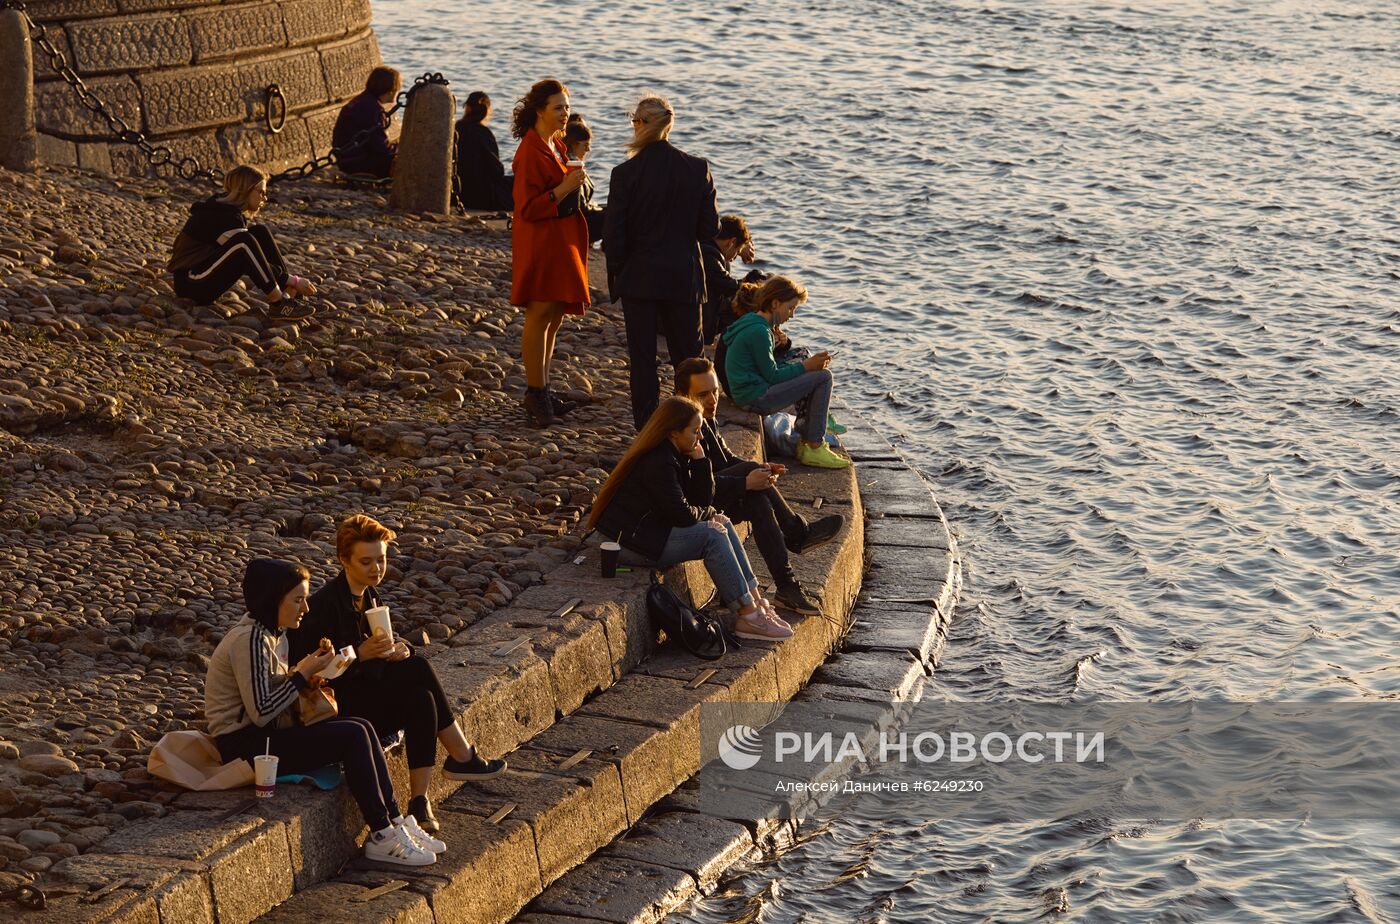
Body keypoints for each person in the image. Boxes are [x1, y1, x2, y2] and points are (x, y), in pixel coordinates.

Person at [205, 558, 442, 866]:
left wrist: (312, 672)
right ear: (273, 600)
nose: (305, 608)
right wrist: (303, 674)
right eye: (298, 600)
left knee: (362, 726)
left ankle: (396, 821)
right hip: (245, 745)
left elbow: (275, 692)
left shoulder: (274, 633)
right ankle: (382, 833)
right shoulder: (248, 639)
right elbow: (262, 711)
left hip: (267, 734)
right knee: (352, 735)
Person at [289, 515, 506, 834]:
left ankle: (419, 802)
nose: (376, 568)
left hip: (365, 692)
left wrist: (400, 649)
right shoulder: (324, 606)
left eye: (381, 559)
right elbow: (310, 674)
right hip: (334, 709)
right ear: (344, 560)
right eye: (366, 561)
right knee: (418, 670)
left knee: (421, 699)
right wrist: (360, 654)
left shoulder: (369, 596)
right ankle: (461, 755)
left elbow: (379, 654)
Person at [587, 396, 792, 641]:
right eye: (695, 431)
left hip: (650, 534)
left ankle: (757, 603)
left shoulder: (677, 453)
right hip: (627, 544)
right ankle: (748, 617)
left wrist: (701, 462)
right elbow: (683, 515)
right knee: (712, 535)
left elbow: (703, 501)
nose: (701, 437)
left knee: (723, 522)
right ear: (674, 432)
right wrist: (708, 514)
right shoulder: (658, 462)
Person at [674, 357, 845, 616]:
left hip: (712, 493)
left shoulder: (705, 416)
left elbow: (726, 460)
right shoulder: (679, 429)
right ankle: (797, 532)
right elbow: (693, 488)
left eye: (716, 391)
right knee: (749, 475)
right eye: (703, 394)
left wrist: (762, 469)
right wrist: (746, 479)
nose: (712, 400)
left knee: (758, 501)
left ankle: (787, 586)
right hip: (691, 508)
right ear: (682, 395)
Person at [603, 94, 720, 431]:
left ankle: (649, 432)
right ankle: (695, 429)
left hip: (640, 279)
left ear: (640, 124)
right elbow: (709, 229)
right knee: (689, 361)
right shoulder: (697, 168)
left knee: (643, 362)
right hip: (683, 277)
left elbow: (614, 237)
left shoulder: (625, 173)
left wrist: (620, 275)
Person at [510, 78, 591, 428]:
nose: (564, 114)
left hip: (560, 240)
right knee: (540, 314)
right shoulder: (531, 150)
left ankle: (543, 388)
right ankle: (535, 391)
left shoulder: (555, 144)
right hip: (542, 242)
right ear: (539, 110)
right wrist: (563, 189)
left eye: (567, 107)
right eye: (558, 107)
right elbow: (525, 208)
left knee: (554, 315)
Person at [722, 276, 849, 469]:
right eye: (790, 308)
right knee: (824, 377)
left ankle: (808, 435)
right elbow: (772, 376)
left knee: (809, 368)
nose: (792, 315)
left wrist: (805, 365)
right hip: (754, 397)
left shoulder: (753, 321)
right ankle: (814, 445)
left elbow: (768, 370)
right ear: (775, 303)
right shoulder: (760, 332)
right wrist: (807, 366)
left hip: (748, 391)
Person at [168, 165, 316, 320]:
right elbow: (251, 257)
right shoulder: (222, 217)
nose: (264, 198)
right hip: (191, 284)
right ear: (246, 190)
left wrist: (288, 280)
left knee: (259, 232)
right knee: (244, 243)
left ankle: (291, 297)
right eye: (261, 192)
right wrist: (294, 279)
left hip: (202, 275)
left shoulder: (225, 211)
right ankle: (279, 303)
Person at [701, 214, 758, 346]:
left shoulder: (705, 245)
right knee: (749, 299)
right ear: (731, 242)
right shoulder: (708, 256)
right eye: (737, 251)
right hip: (699, 324)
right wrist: (755, 284)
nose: (736, 256)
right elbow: (730, 286)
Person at [333, 66, 400, 178]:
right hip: (360, 163)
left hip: (347, 159)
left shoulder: (362, 100)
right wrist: (399, 149)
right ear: (391, 90)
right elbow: (381, 148)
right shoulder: (373, 110)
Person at [454, 91, 513, 211]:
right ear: (487, 111)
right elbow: (497, 171)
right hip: (483, 196)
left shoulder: (455, 129)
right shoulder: (484, 133)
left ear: (467, 108)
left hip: (459, 192)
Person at [561, 114, 605, 244]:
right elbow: (578, 207)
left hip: (575, 220)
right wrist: (596, 208)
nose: (588, 150)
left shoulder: (569, 162)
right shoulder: (573, 168)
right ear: (574, 145)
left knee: (612, 209)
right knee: (614, 215)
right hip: (575, 227)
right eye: (585, 146)